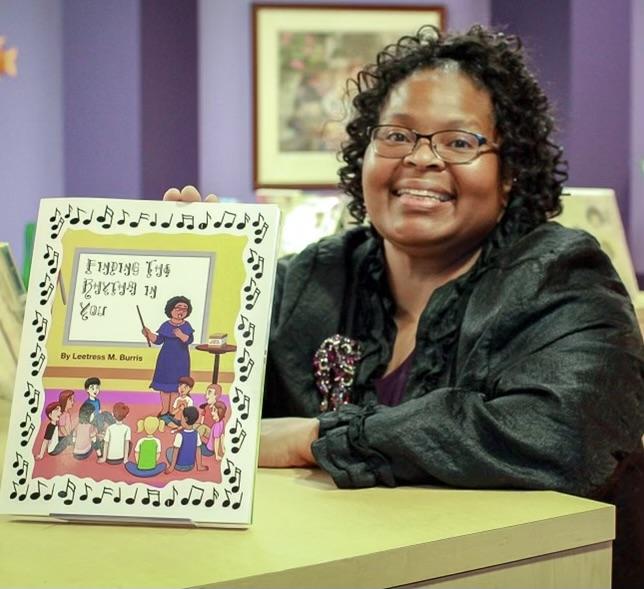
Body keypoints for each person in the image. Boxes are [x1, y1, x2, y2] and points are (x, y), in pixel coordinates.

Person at [164, 25, 643, 588]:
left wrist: (314, 438)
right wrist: (197, 280)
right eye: (396, 136)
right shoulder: (316, 276)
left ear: (509, 174)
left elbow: (565, 436)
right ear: (362, 155)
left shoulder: (561, 276)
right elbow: (202, 412)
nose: (422, 160)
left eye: (459, 142)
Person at [142, 296, 195, 416]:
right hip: (166, 360)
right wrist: (149, 334)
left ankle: (172, 410)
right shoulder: (166, 325)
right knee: (165, 387)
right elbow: (158, 340)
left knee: (177, 387)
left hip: (181, 360)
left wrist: (181, 335)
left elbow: (189, 340)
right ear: (170, 309)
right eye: (178, 308)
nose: (181, 311)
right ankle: (165, 410)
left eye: (184, 309)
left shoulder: (186, 325)